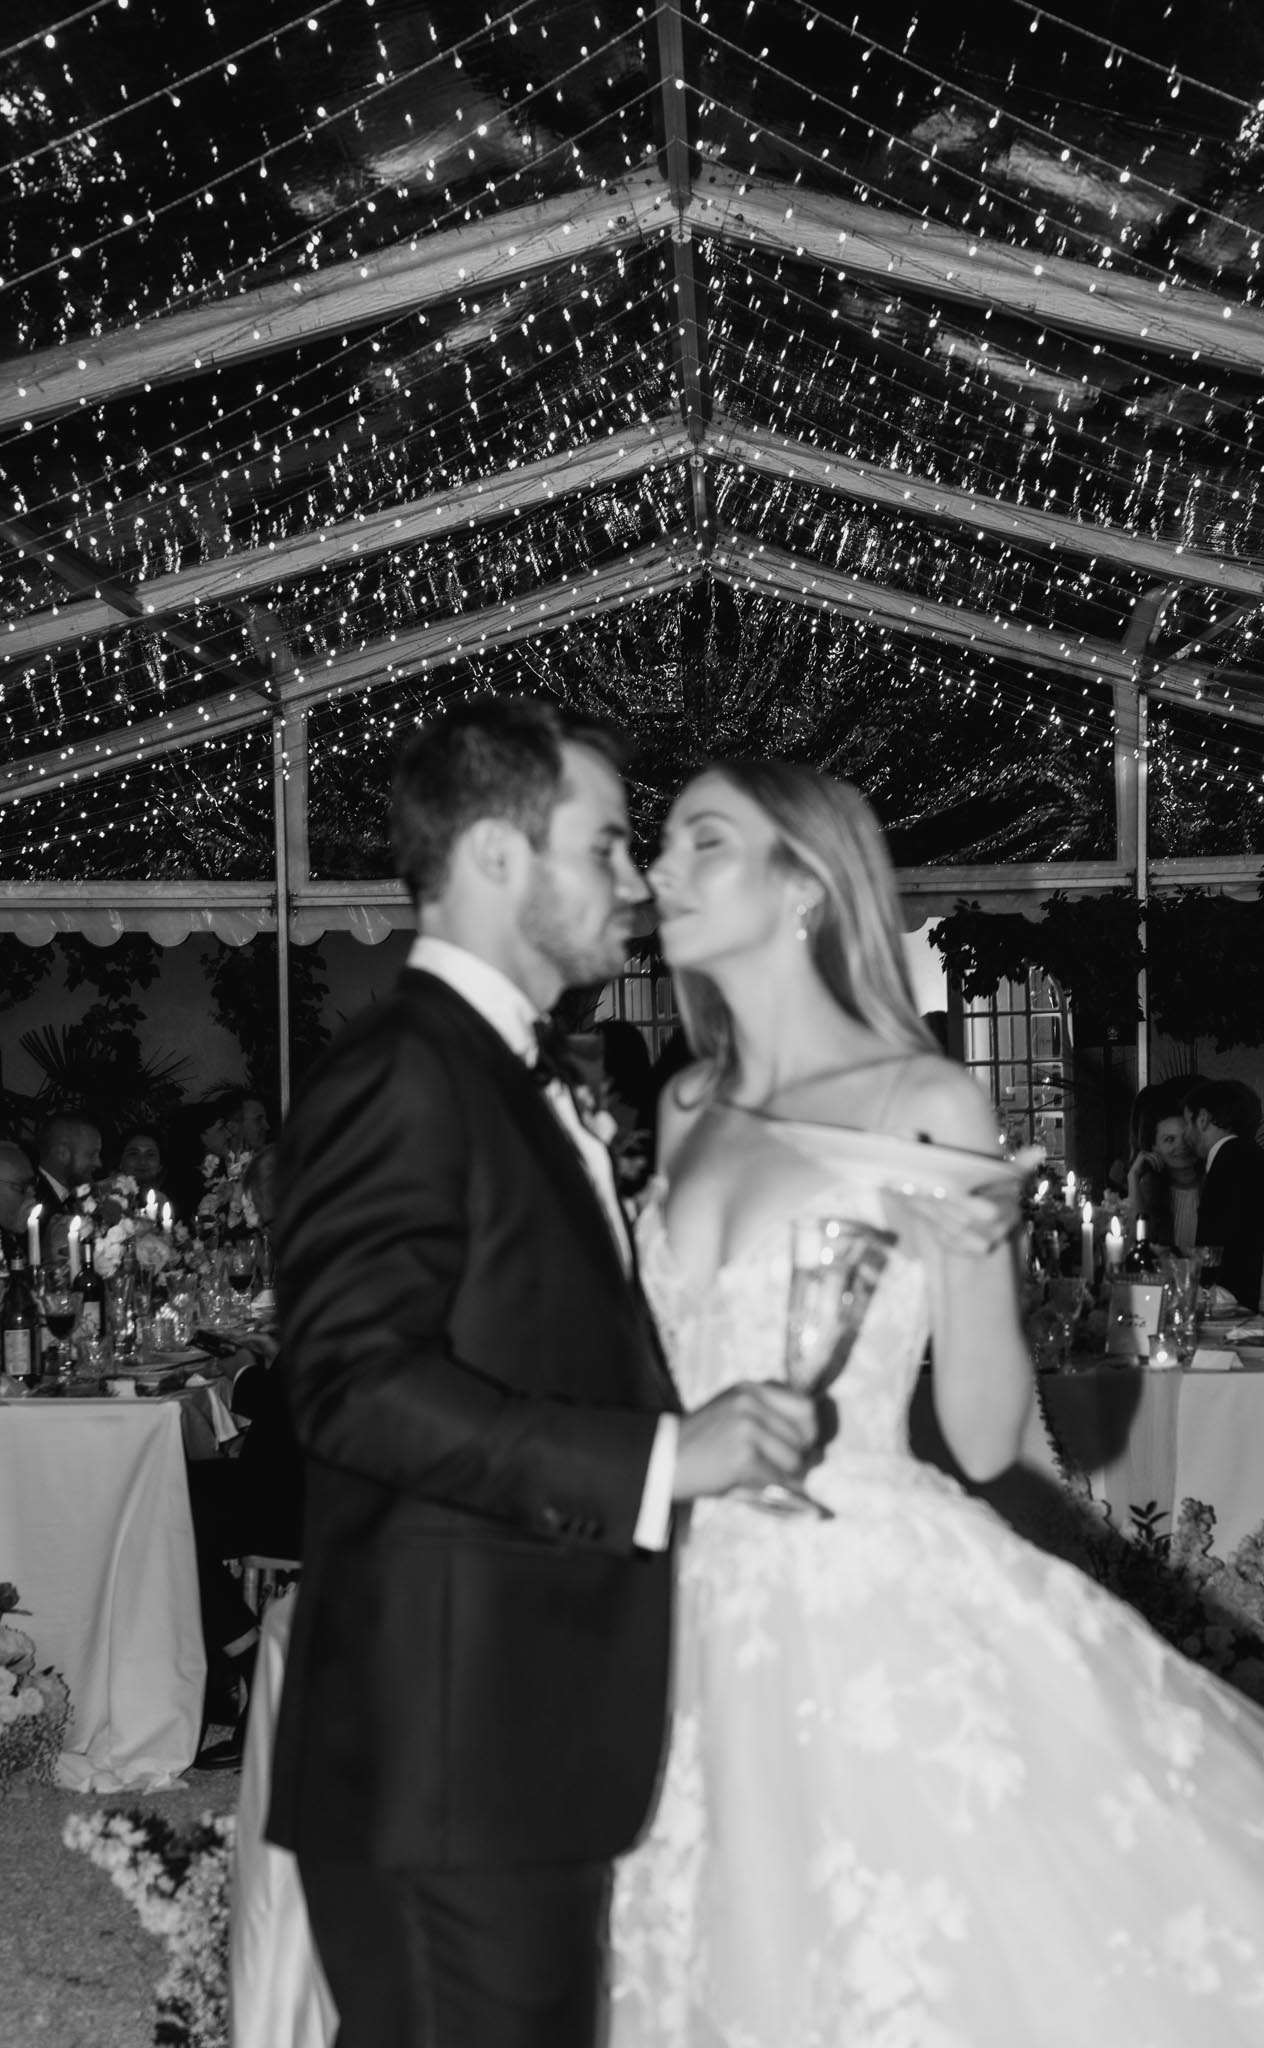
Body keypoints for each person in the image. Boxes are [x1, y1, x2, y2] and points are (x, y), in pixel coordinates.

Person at [608, 757, 1264, 2047]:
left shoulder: (926, 1099)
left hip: (858, 1577)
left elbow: (973, 1427)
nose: (660, 869)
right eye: (662, 845)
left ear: (804, 885)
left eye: (702, 842)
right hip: (682, 1572)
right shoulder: (687, 1103)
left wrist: (978, 1256)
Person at [265, 698, 819, 2048]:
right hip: (446, 1759)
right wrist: (657, 1463)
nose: (637, 882)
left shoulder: (504, 1072)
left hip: (511, 1742)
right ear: (501, 861)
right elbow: (348, 1382)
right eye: (610, 846)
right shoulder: (404, 1072)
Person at [1184, 1076, 1264, 1309]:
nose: (1186, 1134)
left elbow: (1212, 1251)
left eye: (1187, 1123)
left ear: (1202, 1119)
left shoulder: (1226, 1165)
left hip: (1240, 1305)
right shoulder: (1261, 1160)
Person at [1122, 1079, 1203, 1250]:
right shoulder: (1148, 1188)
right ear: (1154, 1147)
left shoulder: (1215, 1182)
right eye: (1169, 1139)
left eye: (1185, 1136)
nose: (1181, 1146)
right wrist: (1133, 1177)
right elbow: (1138, 1242)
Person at [34, 1114, 102, 1215]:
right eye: (91, 1155)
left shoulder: (77, 1195)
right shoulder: (33, 1202)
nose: (99, 1163)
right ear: (62, 1153)